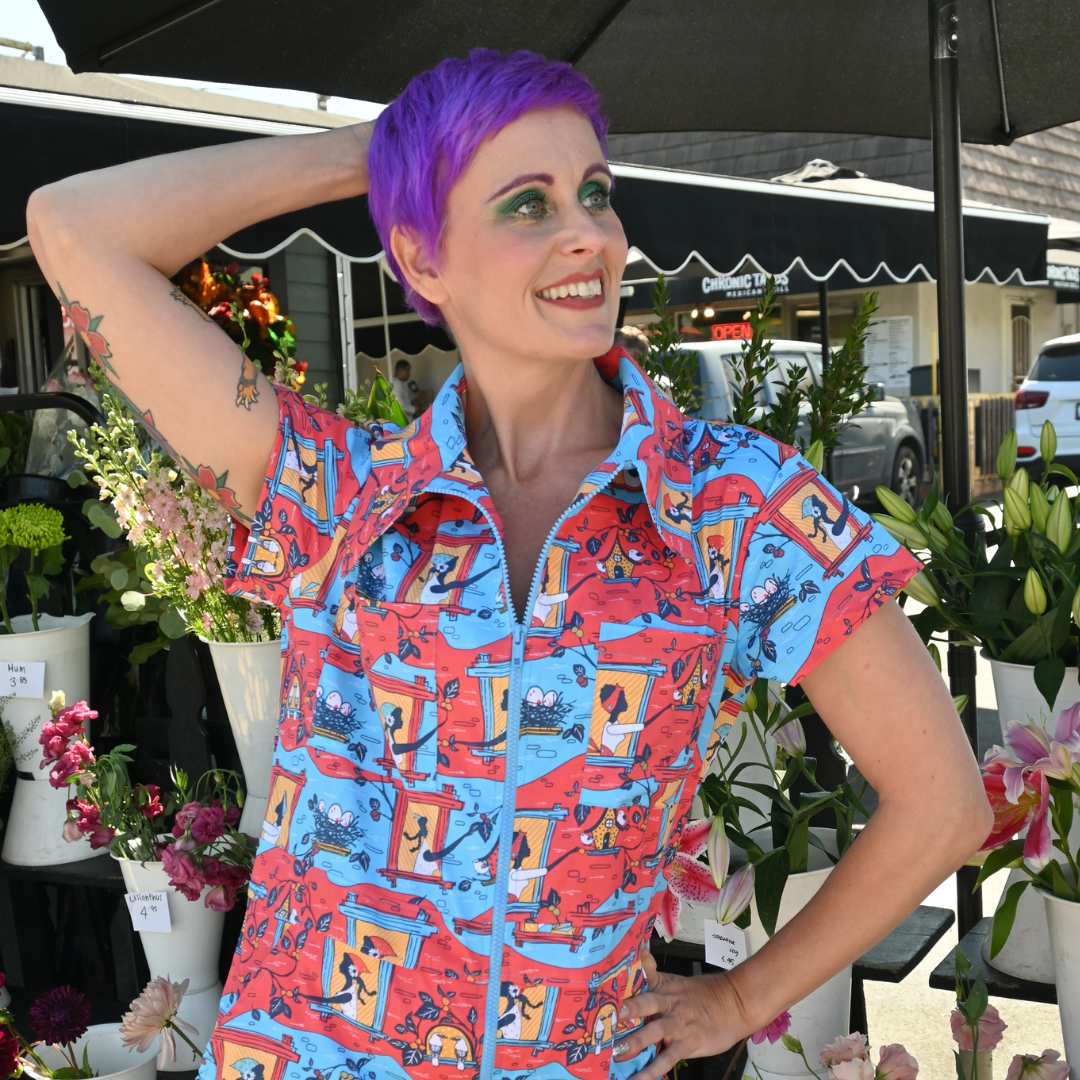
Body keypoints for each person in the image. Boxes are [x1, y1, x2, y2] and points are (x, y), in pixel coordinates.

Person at [26, 49, 990, 1080]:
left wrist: (743, 998)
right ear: (423, 260)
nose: (590, 233)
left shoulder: (727, 505)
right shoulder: (338, 493)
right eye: (526, 203)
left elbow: (945, 803)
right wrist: (378, 153)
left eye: (596, 195)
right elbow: (74, 229)